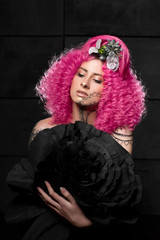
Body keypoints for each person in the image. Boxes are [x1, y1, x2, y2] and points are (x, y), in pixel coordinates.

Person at [5, 35, 146, 240]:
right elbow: (34, 188)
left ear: (111, 92)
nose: (85, 84)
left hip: (98, 230)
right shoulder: (43, 128)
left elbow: (117, 198)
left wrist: (84, 222)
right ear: (69, 76)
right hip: (46, 222)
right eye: (81, 74)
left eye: (97, 80)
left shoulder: (120, 133)